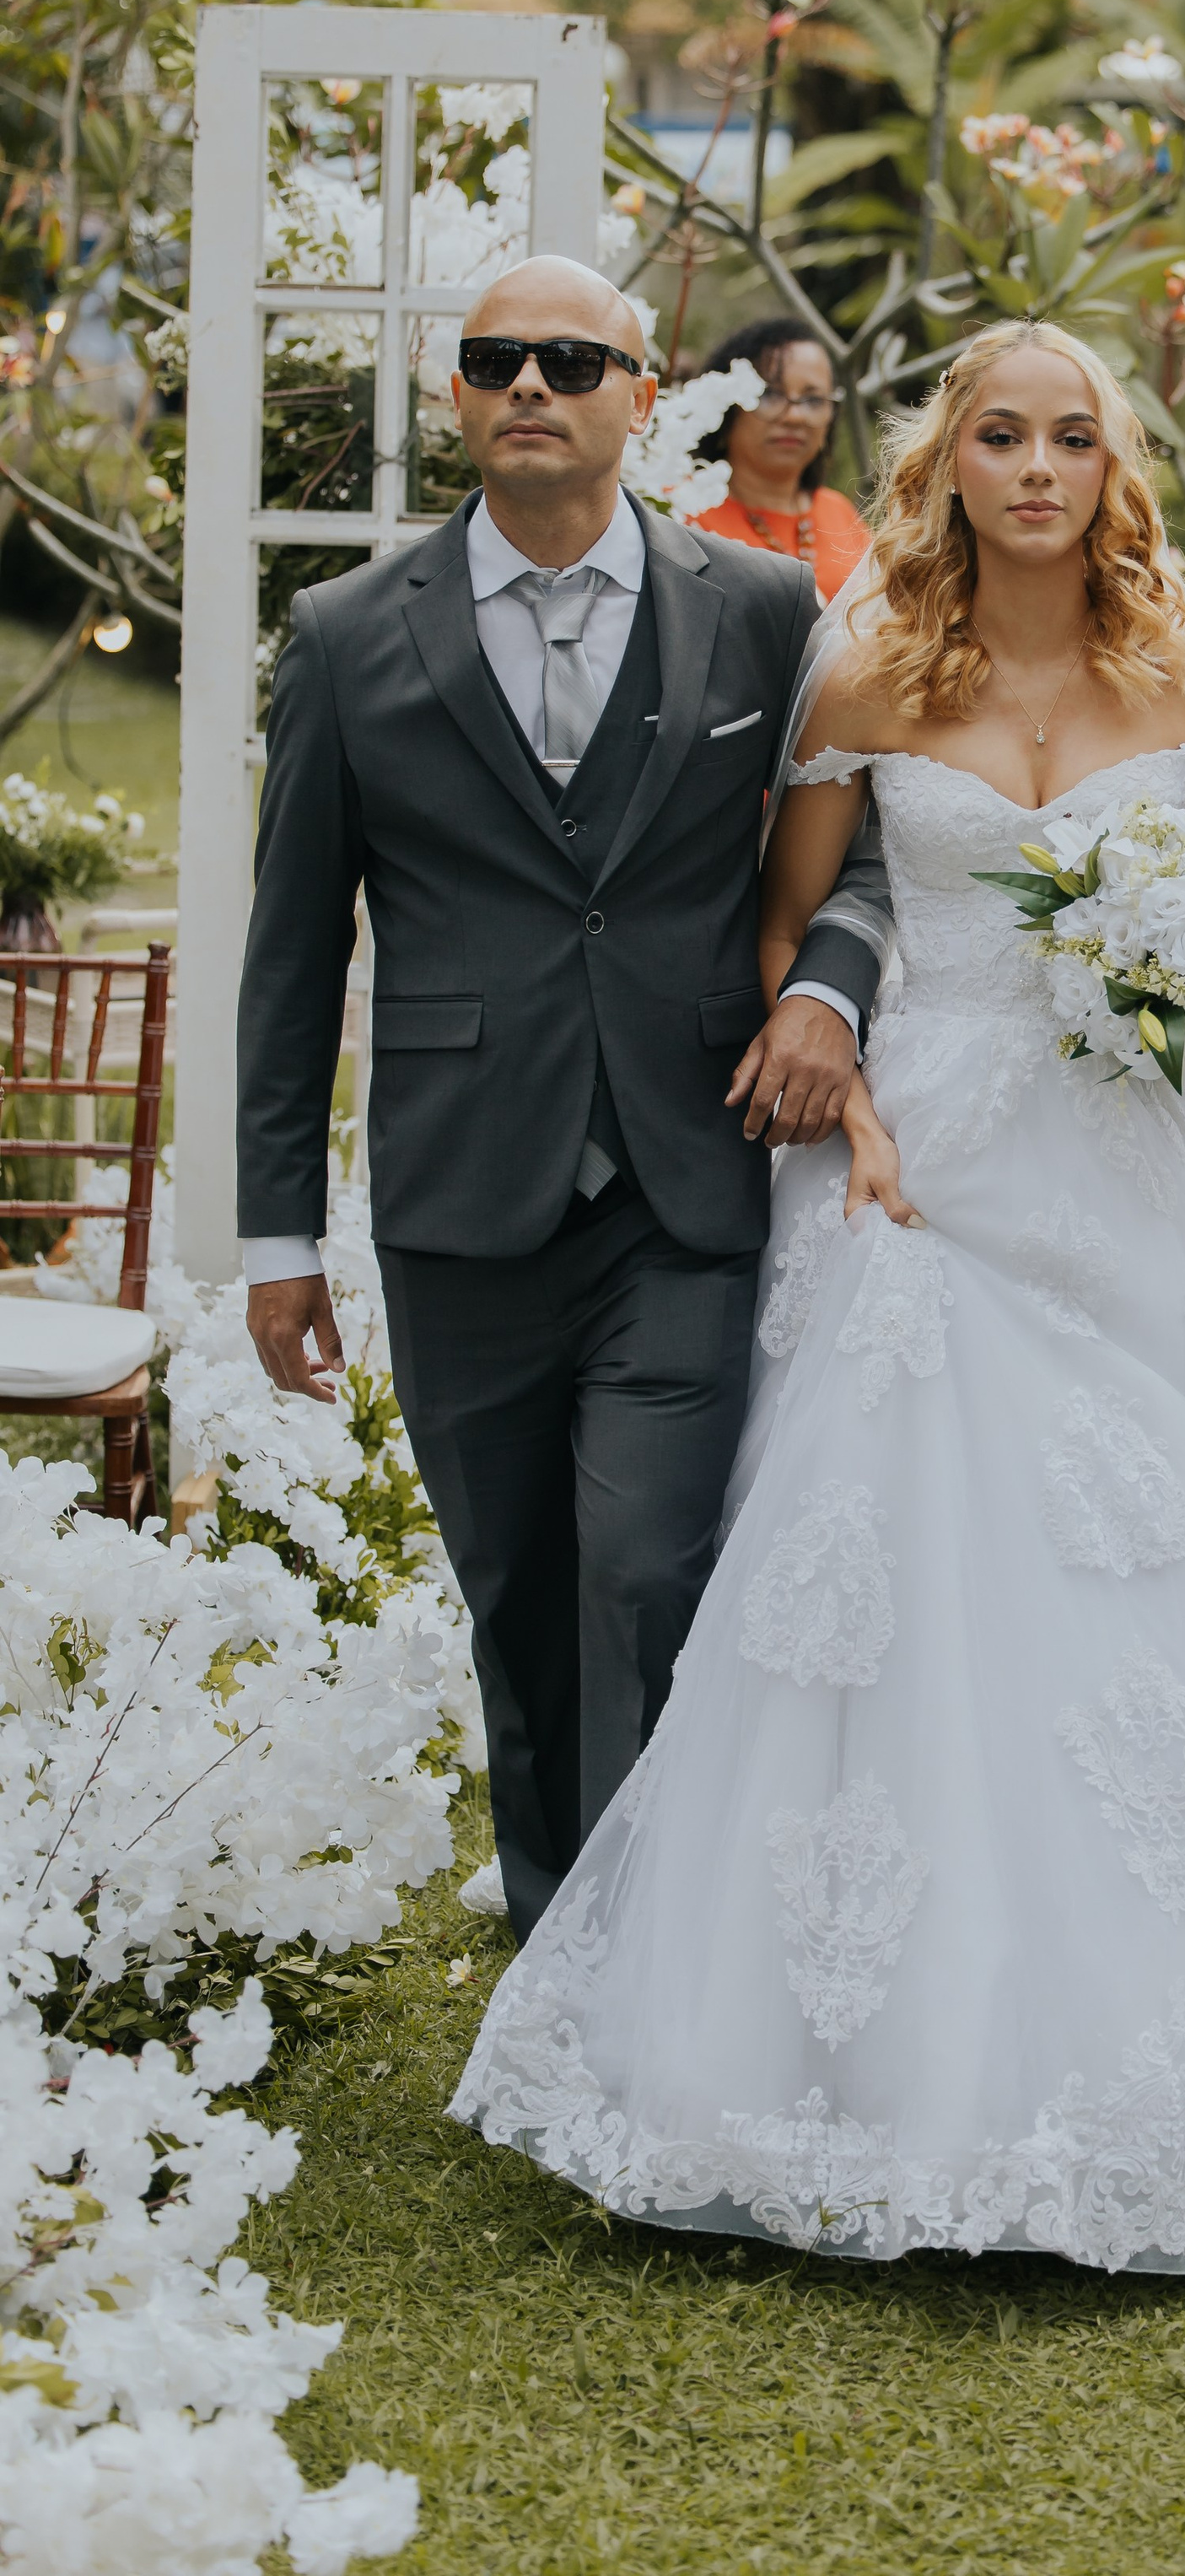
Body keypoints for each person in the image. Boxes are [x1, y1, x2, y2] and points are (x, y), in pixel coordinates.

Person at [452, 320, 1185, 2272]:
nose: (1035, 467)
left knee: (1179, 1568)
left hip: (1143, 1177)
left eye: (1071, 436)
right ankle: (839, 2042)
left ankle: (1162, 2026)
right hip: (923, 1167)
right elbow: (784, 916)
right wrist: (838, 1064)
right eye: (1000, 433)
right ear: (950, 467)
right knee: (892, 1536)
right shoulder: (869, 667)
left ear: (1112, 467)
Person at [236, 256, 894, 1944]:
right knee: (517, 1597)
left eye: (570, 360)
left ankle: (660, 1950)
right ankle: (558, 1937)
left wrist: (825, 990)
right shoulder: (342, 638)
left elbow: (862, 861)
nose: (532, 383)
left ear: (641, 393)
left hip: (684, 1181)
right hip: (464, 1193)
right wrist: (274, 1233)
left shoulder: (760, 614)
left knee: (649, 1572)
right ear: (455, 397)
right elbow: (294, 954)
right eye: (495, 360)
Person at [687, 315, 870, 601]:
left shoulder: (840, 513)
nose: (794, 416)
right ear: (726, 407)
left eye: (812, 400)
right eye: (770, 395)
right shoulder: (681, 509)